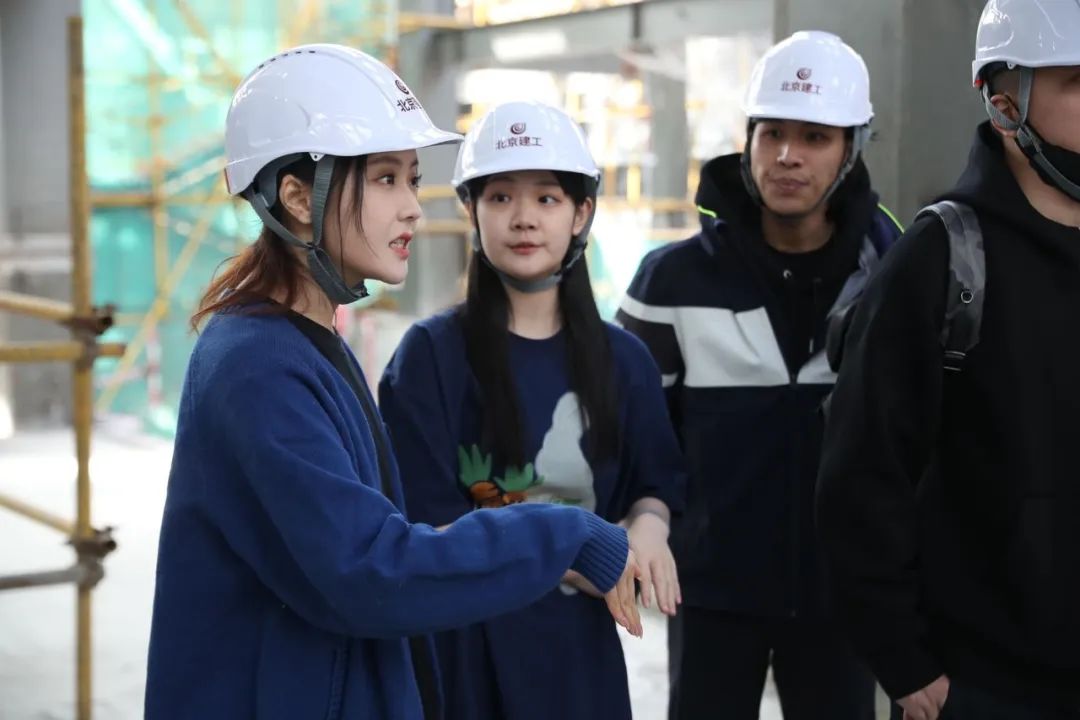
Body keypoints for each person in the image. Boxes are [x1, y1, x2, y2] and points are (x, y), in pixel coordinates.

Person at [144, 46, 643, 720]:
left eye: (412, 179)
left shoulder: (306, 342)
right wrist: (565, 533)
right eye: (385, 179)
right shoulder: (257, 367)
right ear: (297, 197)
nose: (413, 208)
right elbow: (371, 570)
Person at [617, 31, 901, 720]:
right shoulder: (672, 281)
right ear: (747, 139)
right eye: (771, 132)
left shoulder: (892, 277)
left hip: (843, 595)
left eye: (814, 137)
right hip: (710, 594)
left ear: (852, 149)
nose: (786, 156)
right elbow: (632, 432)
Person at [378, 99, 686, 720]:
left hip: (580, 662)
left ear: (582, 213)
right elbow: (423, 528)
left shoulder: (624, 361)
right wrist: (577, 556)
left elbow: (654, 484)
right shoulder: (429, 357)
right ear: (471, 211)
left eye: (547, 198)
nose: (523, 219)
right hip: (466, 656)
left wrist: (650, 528)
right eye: (500, 198)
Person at [816, 1, 1080, 719]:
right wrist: (904, 663)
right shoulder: (943, 258)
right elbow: (861, 477)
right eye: (1077, 82)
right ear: (1004, 102)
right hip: (983, 685)